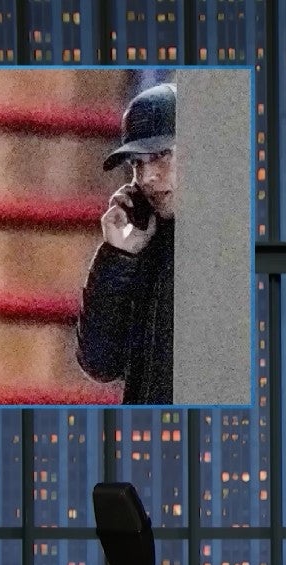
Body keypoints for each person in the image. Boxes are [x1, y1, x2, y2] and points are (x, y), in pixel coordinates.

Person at [76, 82, 177, 404]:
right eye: (136, 163)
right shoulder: (146, 241)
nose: (146, 177)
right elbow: (100, 364)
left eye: (161, 156)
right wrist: (118, 257)